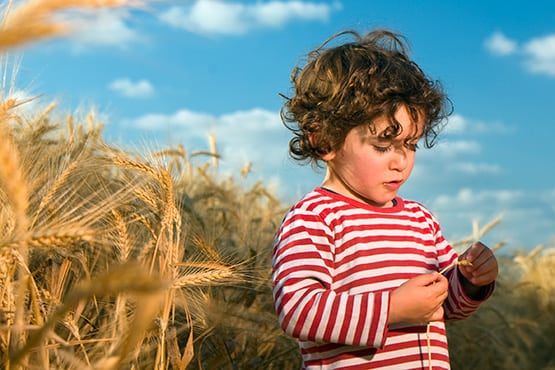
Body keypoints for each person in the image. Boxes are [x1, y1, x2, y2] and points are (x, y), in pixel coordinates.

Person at [271, 29, 499, 370]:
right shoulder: (314, 218)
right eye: (382, 145)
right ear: (324, 141)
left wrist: (470, 281)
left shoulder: (420, 220)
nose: (400, 160)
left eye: (409, 144)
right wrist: (391, 308)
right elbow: (298, 311)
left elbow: (444, 303)